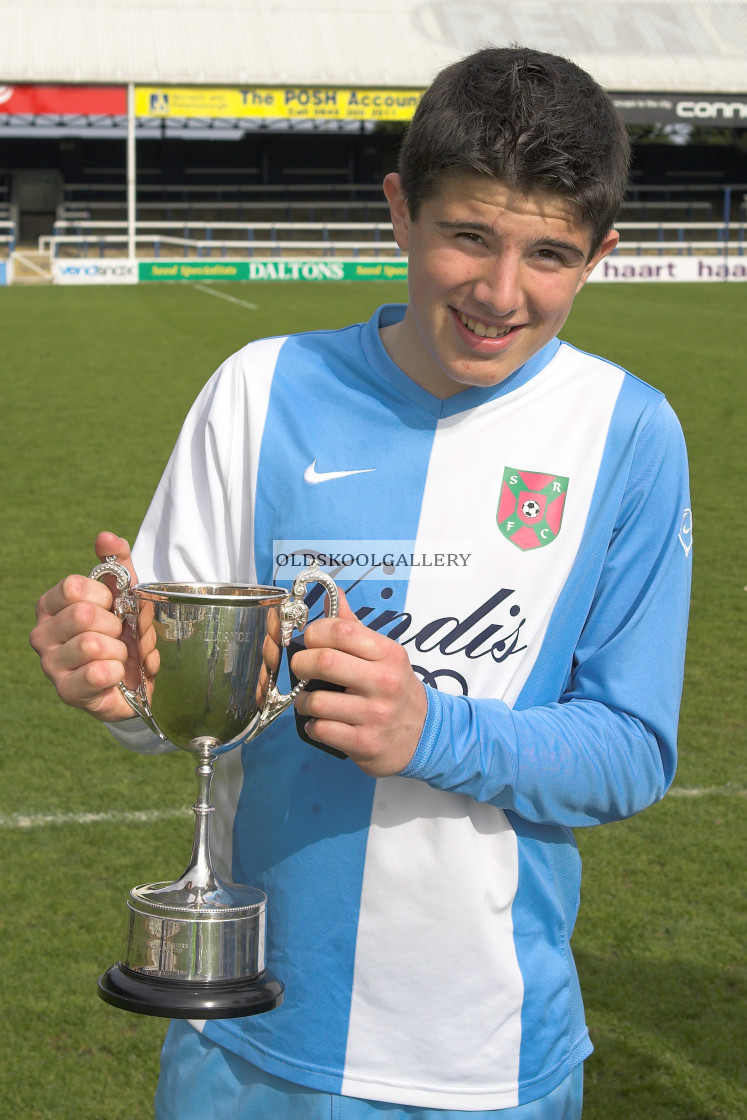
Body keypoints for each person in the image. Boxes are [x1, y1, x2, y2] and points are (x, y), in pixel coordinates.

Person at [30, 46, 692, 1120]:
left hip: (488, 1062)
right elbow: (173, 713)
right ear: (400, 209)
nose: (500, 292)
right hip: (245, 1038)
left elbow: (631, 750)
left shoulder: (630, 433)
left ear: (602, 252)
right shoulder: (258, 391)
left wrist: (437, 729)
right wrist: (114, 673)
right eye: (469, 235)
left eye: (551, 254)